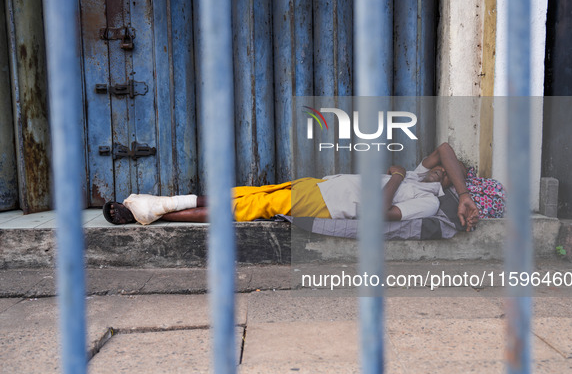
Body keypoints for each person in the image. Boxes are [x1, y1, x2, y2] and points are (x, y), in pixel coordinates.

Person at [104, 142, 479, 231]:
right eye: (441, 169)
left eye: (444, 174)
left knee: (244, 206)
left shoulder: (426, 202)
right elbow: (445, 149)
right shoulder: (418, 175)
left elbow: (382, 213)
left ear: (445, 184)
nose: (437, 169)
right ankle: (160, 207)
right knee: (246, 196)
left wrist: (396, 177)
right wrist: (463, 191)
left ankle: (158, 210)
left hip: (328, 205)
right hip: (320, 186)